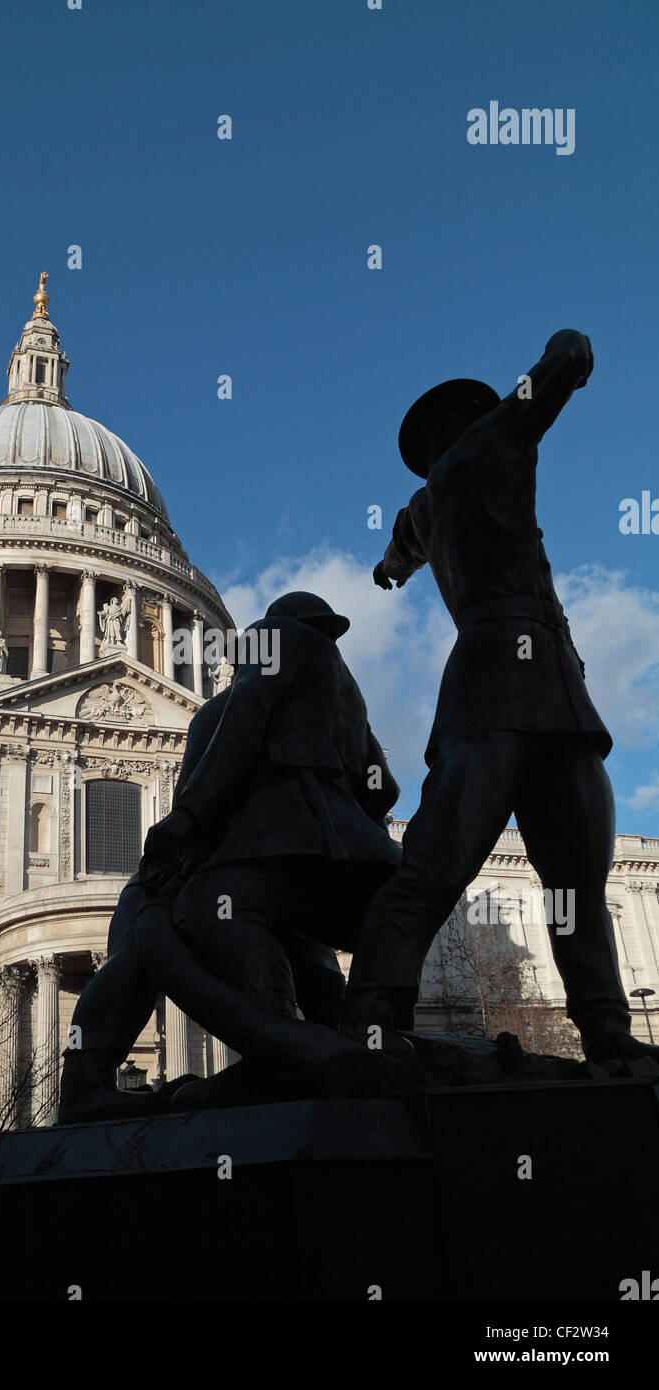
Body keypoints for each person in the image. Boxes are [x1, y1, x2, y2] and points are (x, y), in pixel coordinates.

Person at [341, 330, 657, 1065]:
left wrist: (391, 568)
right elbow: (546, 386)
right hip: (520, 676)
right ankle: (605, 1028)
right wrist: (565, 353)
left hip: (526, 684)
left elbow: (399, 548)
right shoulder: (486, 450)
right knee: (559, 880)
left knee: (452, 863)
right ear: (463, 425)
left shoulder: (427, 504)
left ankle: (374, 1015)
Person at [142, 592, 404, 1096]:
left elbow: (245, 719)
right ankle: (348, 1044)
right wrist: (348, 817)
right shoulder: (347, 689)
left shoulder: (274, 639)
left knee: (207, 913)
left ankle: (283, 1049)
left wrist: (190, 816)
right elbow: (384, 789)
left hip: (282, 833)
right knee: (305, 946)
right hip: (345, 851)